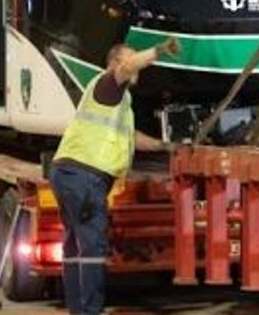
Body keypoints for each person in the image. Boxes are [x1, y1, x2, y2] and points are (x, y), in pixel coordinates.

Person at [50, 38, 180, 315]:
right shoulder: (108, 84)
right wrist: (159, 50)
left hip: (70, 173)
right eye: (130, 60)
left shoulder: (117, 100)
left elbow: (131, 137)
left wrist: (165, 146)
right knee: (93, 248)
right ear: (115, 64)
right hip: (85, 176)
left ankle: (78, 309)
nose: (137, 67)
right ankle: (89, 311)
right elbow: (128, 65)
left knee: (75, 246)